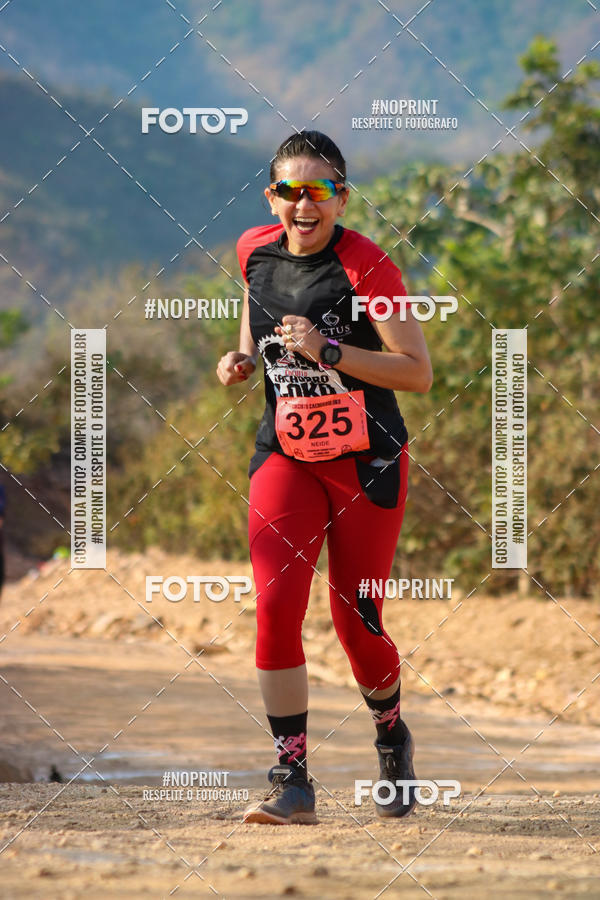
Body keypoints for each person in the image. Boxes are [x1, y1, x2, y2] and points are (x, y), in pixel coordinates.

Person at [216, 130, 432, 825]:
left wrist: (331, 349)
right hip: (284, 452)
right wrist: (242, 359)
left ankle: (391, 735)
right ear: (270, 195)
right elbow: (256, 318)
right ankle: (292, 775)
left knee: (356, 622)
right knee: (276, 606)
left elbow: (417, 373)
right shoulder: (253, 249)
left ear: (341, 195)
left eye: (320, 191)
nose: (304, 205)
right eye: (290, 190)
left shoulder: (371, 266)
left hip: (365, 461)